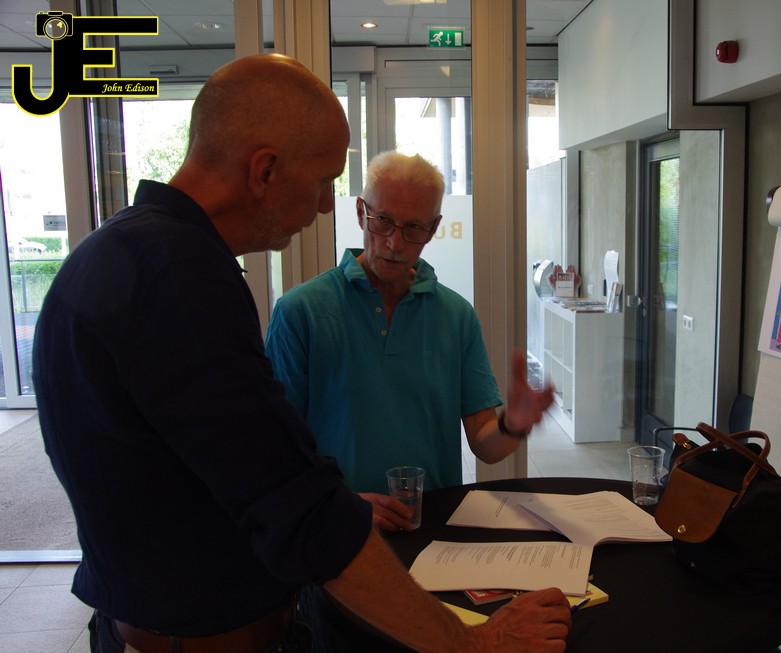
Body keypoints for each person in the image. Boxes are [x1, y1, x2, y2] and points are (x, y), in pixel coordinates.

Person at [32, 54, 571, 653]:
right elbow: (296, 505)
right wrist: (471, 645)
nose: (323, 207)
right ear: (265, 170)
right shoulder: (181, 277)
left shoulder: (116, 252)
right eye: (322, 182)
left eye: (414, 227)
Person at [265, 151, 555, 531]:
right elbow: (275, 451)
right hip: (337, 530)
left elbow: (485, 443)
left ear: (433, 229)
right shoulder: (300, 313)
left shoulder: (456, 316)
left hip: (432, 527)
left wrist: (513, 424)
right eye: (383, 221)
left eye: (414, 227)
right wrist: (341, 506)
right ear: (361, 213)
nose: (395, 243)